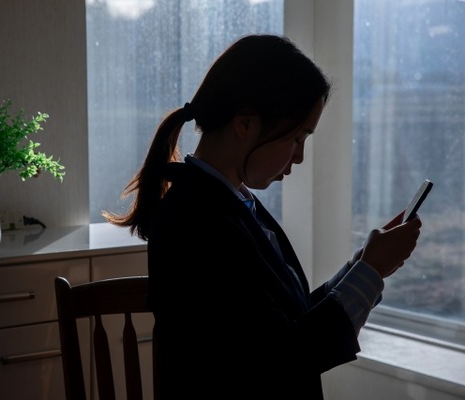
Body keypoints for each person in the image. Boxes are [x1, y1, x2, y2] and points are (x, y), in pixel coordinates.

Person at [103, 34, 422, 399]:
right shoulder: (195, 223)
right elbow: (280, 359)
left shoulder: (233, 205)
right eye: (297, 138)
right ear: (245, 125)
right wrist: (371, 271)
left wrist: (363, 266)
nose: (299, 157)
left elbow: (285, 318)